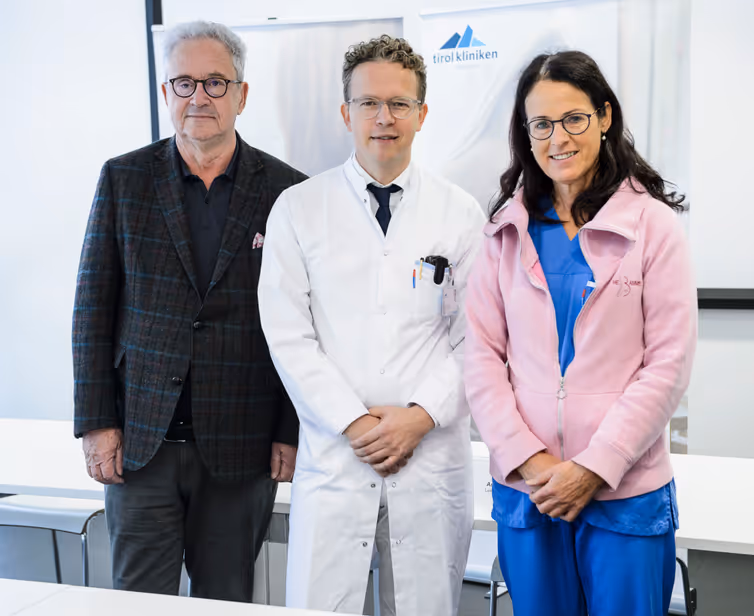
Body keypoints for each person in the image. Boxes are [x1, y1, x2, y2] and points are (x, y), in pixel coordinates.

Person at [72, 21, 305, 601]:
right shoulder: (124, 179)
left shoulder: (287, 192)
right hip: (140, 444)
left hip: (242, 445)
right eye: (184, 83)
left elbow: (301, 324)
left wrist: (290, 429)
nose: (199, 96)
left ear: (241, 95)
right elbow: (92, 311)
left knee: (225, 602)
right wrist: (97, 424)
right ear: (166, 93)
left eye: (215, 82)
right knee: (137, 602)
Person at [258, 35, 485, 616]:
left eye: (399, 103)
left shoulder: (461, 213)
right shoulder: (298, 208)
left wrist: (419, 417)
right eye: (368, 103)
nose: (384, 118)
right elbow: (288, 336)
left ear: (422, 114)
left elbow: (480, 339)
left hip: (429, 456)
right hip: (338, 454)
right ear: (346, 113)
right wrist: (355, 422)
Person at [464, 50, 696, 616]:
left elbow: (668, 364)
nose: (558, 138)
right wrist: (531, 462)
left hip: (624, 490)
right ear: (525, 133)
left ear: (604, 117)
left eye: (573, 118)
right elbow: (482, 359)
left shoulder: (652, 226)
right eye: (541, 124)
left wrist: (594, 466)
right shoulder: (505, 231)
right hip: (532, 490)